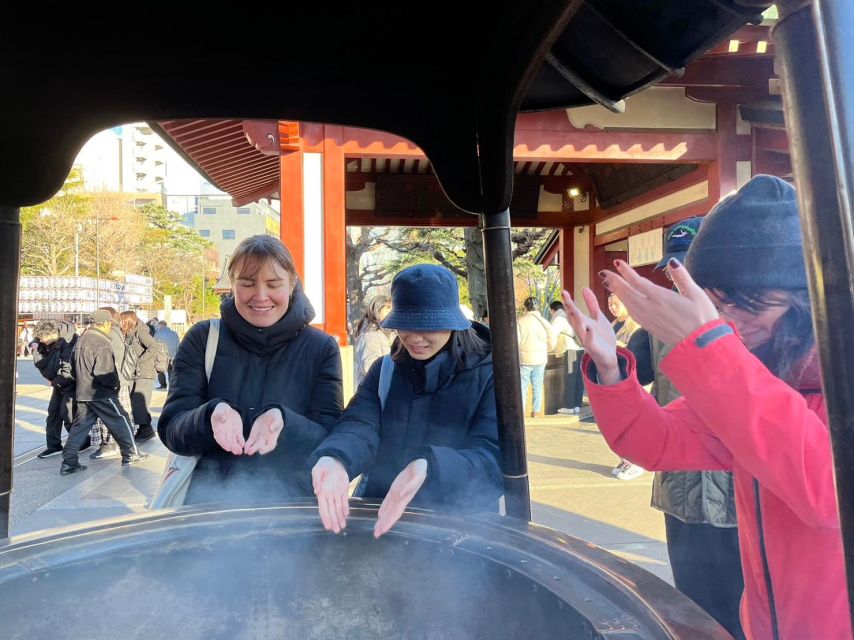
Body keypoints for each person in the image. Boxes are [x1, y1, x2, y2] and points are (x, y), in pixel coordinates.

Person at [562, 175, 850, 639]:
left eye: (749, 305)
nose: (731, 323)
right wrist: (609, 366)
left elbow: (826, 495)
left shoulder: (836, 380)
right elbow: (658, 442)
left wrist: (712, 346)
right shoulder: (759, 374)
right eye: (716, 306)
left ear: (806, 298)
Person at [309, 264, 503, 538]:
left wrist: (431, 466)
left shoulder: (490, 373)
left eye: (428, 326)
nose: (415, 337)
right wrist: (336, 457)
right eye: (405, 324)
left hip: (459, 532)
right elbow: (359, 424)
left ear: (452, 322)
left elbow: (494, 457)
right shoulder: (385, 370)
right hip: (384, 519)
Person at [157, 235, 344, 504]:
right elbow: (172, 429)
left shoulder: (320, 347)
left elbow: (330, 436)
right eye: (246, 284)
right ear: (232, 285)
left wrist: (285, 424)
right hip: (209, 506)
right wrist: (209, 416)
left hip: (293, 509)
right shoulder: (203, 338)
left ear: (292, 284)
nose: (260, 296)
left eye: (273, 284)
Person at [627, 216, 744, 639]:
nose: (682, 283)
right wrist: (608, 360)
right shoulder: (657, 324)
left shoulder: (749, 320)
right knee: (691, 607)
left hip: (740, 495)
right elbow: (634, 373)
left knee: (744, 609)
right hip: (681, 492)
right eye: (673, 270)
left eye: (689, 270)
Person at [60, 309, 147, 475]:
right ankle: (131, 453)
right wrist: (113, 386)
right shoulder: (101, 341)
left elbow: (71, 368)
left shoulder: (81, 339)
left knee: (79, 427)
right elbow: (105, 372)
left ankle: (68, 462)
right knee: (121, 419)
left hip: (83, 392)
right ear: (106, 324)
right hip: (101, 392)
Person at [31, 320, 84, 458]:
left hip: (70, 382)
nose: (41, 340)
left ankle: (81, 442)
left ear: (51, 334)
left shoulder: (68, 342)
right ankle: (53, 445)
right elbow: (40, 362)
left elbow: (68, 369)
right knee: (53, 413)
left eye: (42, 338)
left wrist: (57, 381)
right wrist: (35, 347)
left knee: (68, 414)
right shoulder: (44, 343)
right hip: (58, 382)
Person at [89, 306, 135, 461]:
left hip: (114, 382)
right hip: (114, 380)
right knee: (115, 413)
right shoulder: (115, 332)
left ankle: (113, 444)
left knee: (113, 414)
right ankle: (114, 443)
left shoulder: (111, 334)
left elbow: (108, 360)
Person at [119, 310, 158, 442]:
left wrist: (140, 360)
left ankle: (146, 429)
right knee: (136, 402)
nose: (121, 322)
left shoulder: (140, 332)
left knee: (139, 402)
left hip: (144, 373)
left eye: (122, 319)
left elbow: (154, 346)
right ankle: (144, 429)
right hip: (135, 373)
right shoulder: (130, 332)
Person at [517, 296, 556, 418]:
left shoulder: (520, 322)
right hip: (540, 358)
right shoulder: (545, 322)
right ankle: (537, 412)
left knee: (522, 387)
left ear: (525, 307)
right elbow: (552, 340)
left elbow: (516, 341)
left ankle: (521, 412)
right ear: (537, 306)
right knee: (538, 386)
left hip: (525, 359)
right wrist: (545, 350)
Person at [549, 300, 584, 415]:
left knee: (569, 377)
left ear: (552, 310)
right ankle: (577, 405)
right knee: (577, 377)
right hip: (580, 348)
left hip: (570, 348)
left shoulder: (558, 318)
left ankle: (568, 406)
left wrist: (549, 348)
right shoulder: (569, 317)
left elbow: (551, 335)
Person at [353, 295, 392, 388]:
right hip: (372, 393)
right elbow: (369, 367)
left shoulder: (388, 333)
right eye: (388, 309)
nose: (391, 313)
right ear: (376, 311)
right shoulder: (369, 335)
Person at [154, 320, 180, 389]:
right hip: (172, 355)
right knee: (171, 370)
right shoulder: (175, 333)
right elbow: (178, 345)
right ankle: (172, 386)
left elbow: (155, 345)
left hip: (162, 356)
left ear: (160, 325)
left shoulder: (158, 333)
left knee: (160, 370)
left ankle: (163, 385)